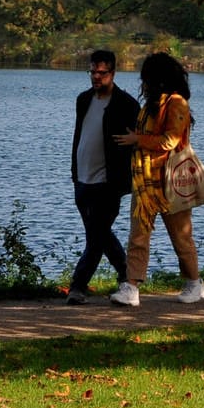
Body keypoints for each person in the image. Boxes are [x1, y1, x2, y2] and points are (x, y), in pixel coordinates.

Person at [110, 52, 204, 307]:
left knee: (180, 236)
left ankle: (194, 283)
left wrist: (136, 140)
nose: (143, 83)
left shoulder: (176, 103)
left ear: (159, 78)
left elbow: (169, 141)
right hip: (145, 183)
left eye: (147, 78)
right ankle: (131, 287)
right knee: (138, 235)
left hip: (169, 182)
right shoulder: (152, 103)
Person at [67, 49, 139, 304]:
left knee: (98, 234)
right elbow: (80, 136)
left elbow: (137, 143)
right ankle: (127, 276)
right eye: (92, 72)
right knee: (99, 234)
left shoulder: (127, 104)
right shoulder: (83, 99)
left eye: (102, 73)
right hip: (82, 180)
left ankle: (78, 286)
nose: (96, 77)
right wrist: (75, 173)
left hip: (109, 183)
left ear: (113, 73)